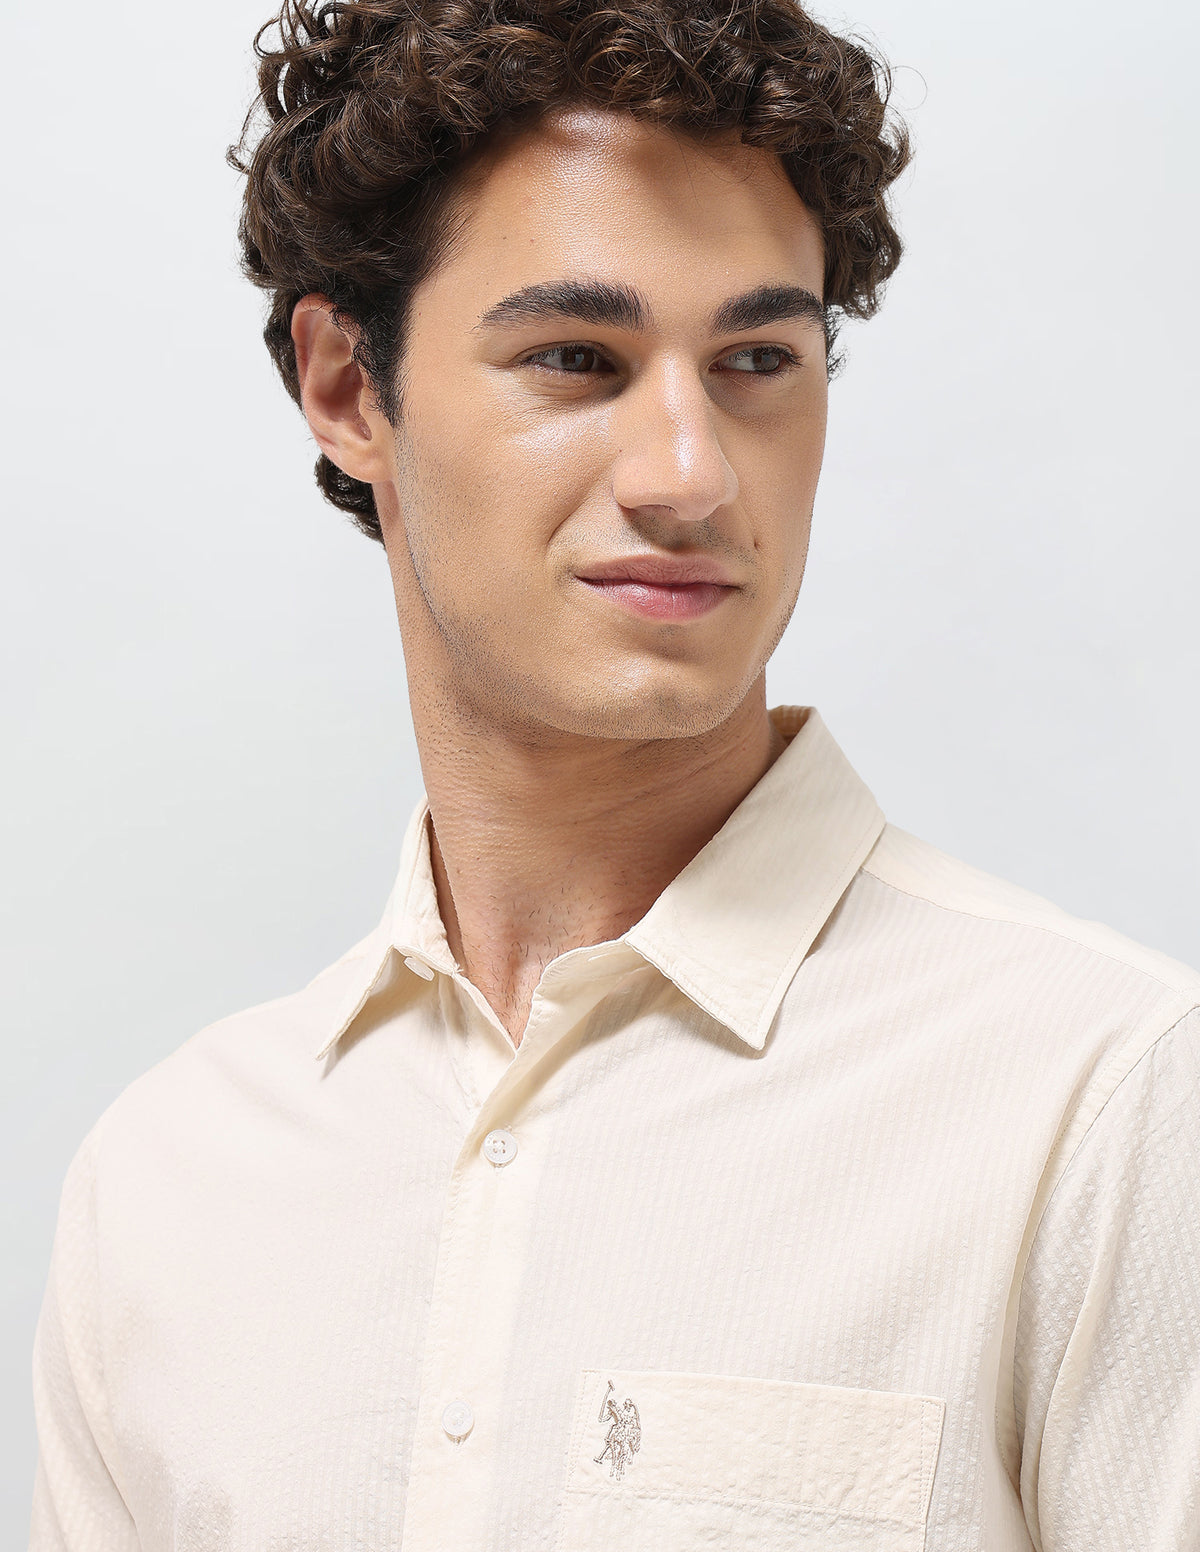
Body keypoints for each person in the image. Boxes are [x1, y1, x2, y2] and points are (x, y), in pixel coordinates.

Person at [28, 0, 1200, 1547]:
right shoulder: (169, 1185)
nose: (690, 475)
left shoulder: (1106, 1100)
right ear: (348, 387)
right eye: (576, 358)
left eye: (758, 359)